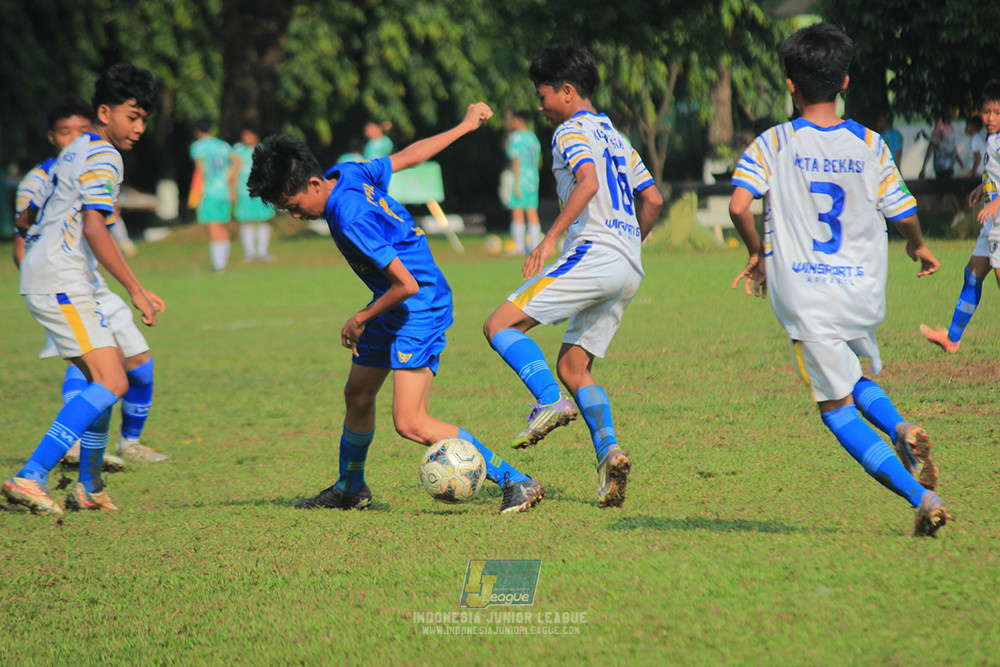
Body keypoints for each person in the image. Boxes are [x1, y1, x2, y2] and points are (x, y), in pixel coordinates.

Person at [247, 103, 545, 515]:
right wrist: (462, 126)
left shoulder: (349, 215)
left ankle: (519, 481)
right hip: (395, 300)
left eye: (293, 204)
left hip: (419, 303)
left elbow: (406, 283)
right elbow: (410, 157)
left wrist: (360, 318)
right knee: (358, 393)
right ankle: (350, 488)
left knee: (410, 423)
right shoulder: (346, 172)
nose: (294, 215)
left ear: (314, 183)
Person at [729, 23, 950, 537]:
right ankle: (901, 428)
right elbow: (903, 210)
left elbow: (740, 204)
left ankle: (921, 497)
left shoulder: (774, 143)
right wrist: (917, 245)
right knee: (853, 375)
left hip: (808, 297)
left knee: (835, 408)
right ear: (845, 80)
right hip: (861, 290)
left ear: (790, 84)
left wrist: (757, 252)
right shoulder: (871, 144)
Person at [482, 45, 663, 509]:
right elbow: (655, 200)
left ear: (567, 91)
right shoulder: (617, 138)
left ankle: (547, 401)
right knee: (573, 367)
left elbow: (587, 182)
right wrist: (629, 245)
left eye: (542, 95)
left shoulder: (570, 131)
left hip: (594, 253)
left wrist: (548, 240)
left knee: (499, 324)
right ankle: (610, 453)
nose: (539, 105)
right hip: (629, 264)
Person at [3, 64, 165, 515]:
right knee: (113, 378)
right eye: (131, 116)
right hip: (63, 278)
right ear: (104, 111)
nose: (138, 127)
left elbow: (26, 216)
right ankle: (30, 476)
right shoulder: (106, 156)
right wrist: (135, 288)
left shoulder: (75, 149)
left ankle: (89, 487)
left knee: (105, 376)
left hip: (50, 273)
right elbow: (96, 226)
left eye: (145, 119)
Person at [920, 80, 1000, 353]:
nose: (990, 118)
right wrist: (982, 188)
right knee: (972, 275)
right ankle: (952, 337)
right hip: (992, 224)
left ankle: (953, 336)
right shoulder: (992, 140)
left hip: (999, 223)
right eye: (986, 111)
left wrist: (995, 203)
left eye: (997, 113)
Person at [189, 118, 234, 272]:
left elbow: (199, 171)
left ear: (197, 131)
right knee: (222, 227)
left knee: (213, 228)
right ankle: (223, 262)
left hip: (209, 192)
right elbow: (236, 162)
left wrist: (194, 193)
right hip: (224, 191)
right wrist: (230, 181)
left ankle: (218, 265)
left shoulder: (198, 147)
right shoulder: (223, 146)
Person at [231, 126, 276, 262]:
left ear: (256, 137)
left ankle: (263, 251)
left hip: (261, 191)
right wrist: (232, 189)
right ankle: (249, 252)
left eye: (248, 135)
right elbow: (233, 171)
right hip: (244, 192)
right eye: (244, 135)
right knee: (246, 221)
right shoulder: (237, 151)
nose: (245, 138)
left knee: (263, 221)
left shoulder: (264, 150)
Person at [504, 110, 543, 255]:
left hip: (521, 175)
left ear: (519, 121)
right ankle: (535, 246)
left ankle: (519, 246)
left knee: (517, 210)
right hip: (533, 175)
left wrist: (516, 182)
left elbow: (516, 159)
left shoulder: (515, 138)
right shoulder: (533, 138)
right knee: (532, 209)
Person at [920, 107, 963, 180]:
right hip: (942, 166)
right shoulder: (940, 128)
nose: (955, 112)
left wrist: (961, 164)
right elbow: (931, 147)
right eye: (953, 110)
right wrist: (924, 167)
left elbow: (952, 147)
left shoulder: (951, 127)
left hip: (950, 165)